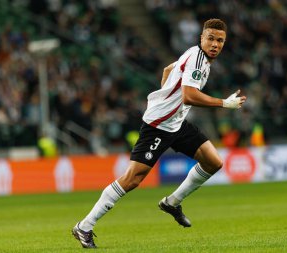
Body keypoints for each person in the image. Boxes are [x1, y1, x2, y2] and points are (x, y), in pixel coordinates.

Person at [72, 18, 247, 249]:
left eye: (220, 40)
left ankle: (172, 202)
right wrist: (224, 103)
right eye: (211, 38)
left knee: (213, 162)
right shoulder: (196, 58)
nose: (215, 44)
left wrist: (166, 97)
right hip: (158, 125)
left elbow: (168, 70)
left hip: (177, 122)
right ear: (201, 38)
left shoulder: (200, 57)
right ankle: (84, 226)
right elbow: (189, 96)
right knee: (132, 179)